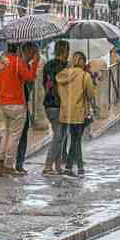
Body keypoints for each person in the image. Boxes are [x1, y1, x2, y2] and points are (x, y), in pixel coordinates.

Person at [0, 42, 40, 177]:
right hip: (17, 103)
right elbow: (30, 77)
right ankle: (8, 165)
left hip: (4, 103)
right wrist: (35, 63)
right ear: (17, 49)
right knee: (14, 136)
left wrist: (5, 88)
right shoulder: (17, 62)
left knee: (6, 133)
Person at [56, 52, 96, 176]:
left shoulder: (63, 74)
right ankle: (76, 167)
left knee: (73, 139)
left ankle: (74, 166)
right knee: (76, 139)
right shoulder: (85, 76)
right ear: (83, 61)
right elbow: (91, 95)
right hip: (79, 112)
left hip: (65, 112)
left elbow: (59, 91)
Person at [41, 41, 71, 176]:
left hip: (48, 103)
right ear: (66, 52)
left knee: (62, 135)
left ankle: (58, 166)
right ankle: (48, 166)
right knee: (59, 135)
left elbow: (44, 84)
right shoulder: (65, 67)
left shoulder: (47, 65)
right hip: (60, 104)